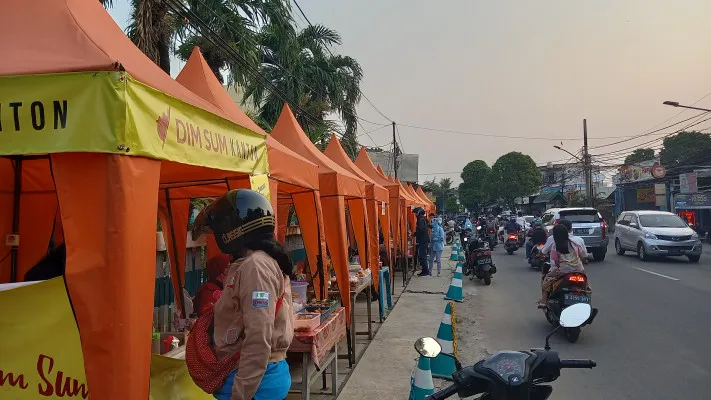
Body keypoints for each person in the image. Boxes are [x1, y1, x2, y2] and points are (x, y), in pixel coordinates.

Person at [188, 189, 294, 400]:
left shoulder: (256, 267)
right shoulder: (253, 263)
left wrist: (241, 394)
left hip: (254, 385)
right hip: (255, 379)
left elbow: (258, 336)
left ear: (235, 230)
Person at [538, 224, 587, 308]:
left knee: (546, 281)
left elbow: (556, 261)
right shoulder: (575, 243)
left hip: (563, 271)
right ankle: (587, 289)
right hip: (578, 269)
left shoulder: (555, 246)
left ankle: (544, 301)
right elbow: (582, 256)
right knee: (585, 278)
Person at [415, 208, 431, 276]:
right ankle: (425, 270)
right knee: (423, 255)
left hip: (422, 240)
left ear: (418, 213)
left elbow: (421, 229)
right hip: (425, 239)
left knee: (422, 256)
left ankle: (425, 271)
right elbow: (429, 226)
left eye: (415, 213)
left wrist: (414, 234)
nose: (415, 214)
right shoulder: (424, 219)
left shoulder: (420, 219)